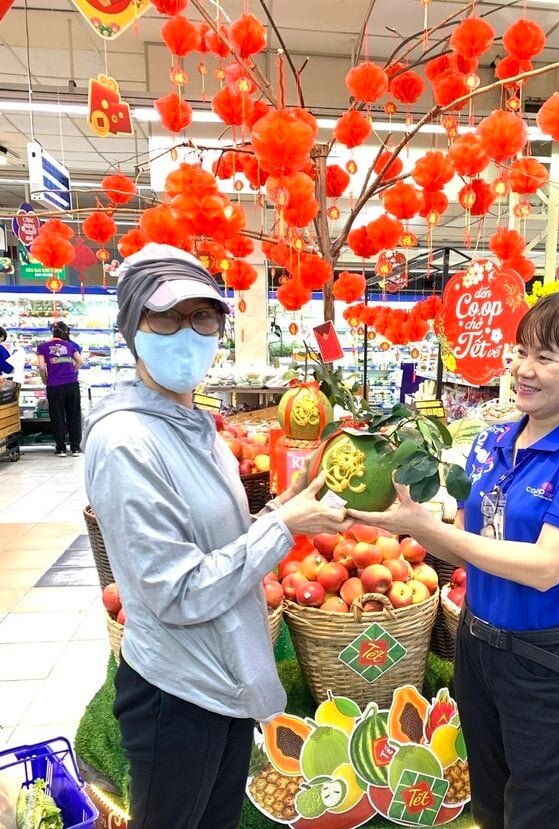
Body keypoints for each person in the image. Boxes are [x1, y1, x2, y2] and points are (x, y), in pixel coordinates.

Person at [83, 243, 351, 829]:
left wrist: (282, 508)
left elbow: (213, 544)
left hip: (222, 678)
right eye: (166, 317)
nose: (187, 333)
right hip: (176, 693)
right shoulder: (128, 442)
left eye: (202, 317)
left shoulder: (195, 427)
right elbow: (175, 591)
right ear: (132, 326)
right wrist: (280, 528)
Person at [348, 290, 559, 829]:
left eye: (546, 357)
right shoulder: (494, 442)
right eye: (521, 350)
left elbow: (547, 565)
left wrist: (430, 530)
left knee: (539, 814)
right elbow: (460, 543)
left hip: (547, 664)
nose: (523, 370)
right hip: (477, 647)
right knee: (489, 806)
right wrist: (387, 521)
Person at [37, 322, 84, 457]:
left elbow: (41, 367)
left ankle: (61, 448)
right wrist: (71, 372)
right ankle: (75, 448)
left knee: (57, 416)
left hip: (54, 386)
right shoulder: (70, 345)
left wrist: (44, 379)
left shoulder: (42, 347)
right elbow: (80, 361)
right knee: (74, 415)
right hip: (72, 384)